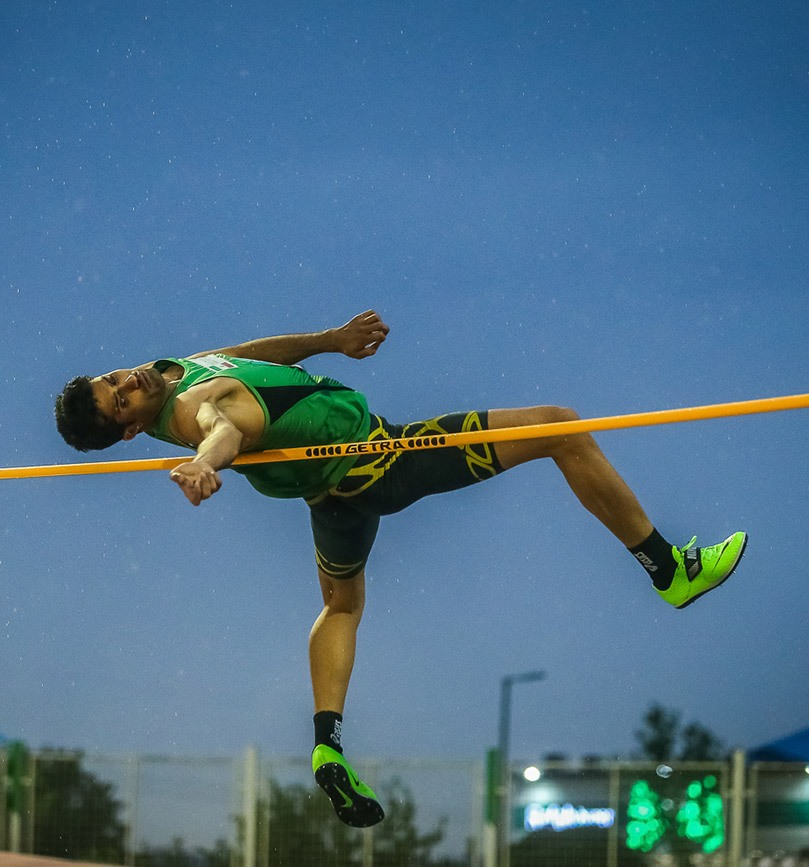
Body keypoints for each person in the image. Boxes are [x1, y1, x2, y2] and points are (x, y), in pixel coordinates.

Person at [54, 310, 747, 827]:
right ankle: (668, 570)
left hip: (333, 496)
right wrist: (204, 465)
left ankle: (328, 745)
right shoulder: (189, 411)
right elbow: (223, 427)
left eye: (114, 377)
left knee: (342, 605)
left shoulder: (167, 371)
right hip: (381, 458)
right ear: (131, 429)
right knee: (558, 427)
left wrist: (329, 340)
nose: (128, 381)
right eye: (122, 398)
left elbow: (244, 357)